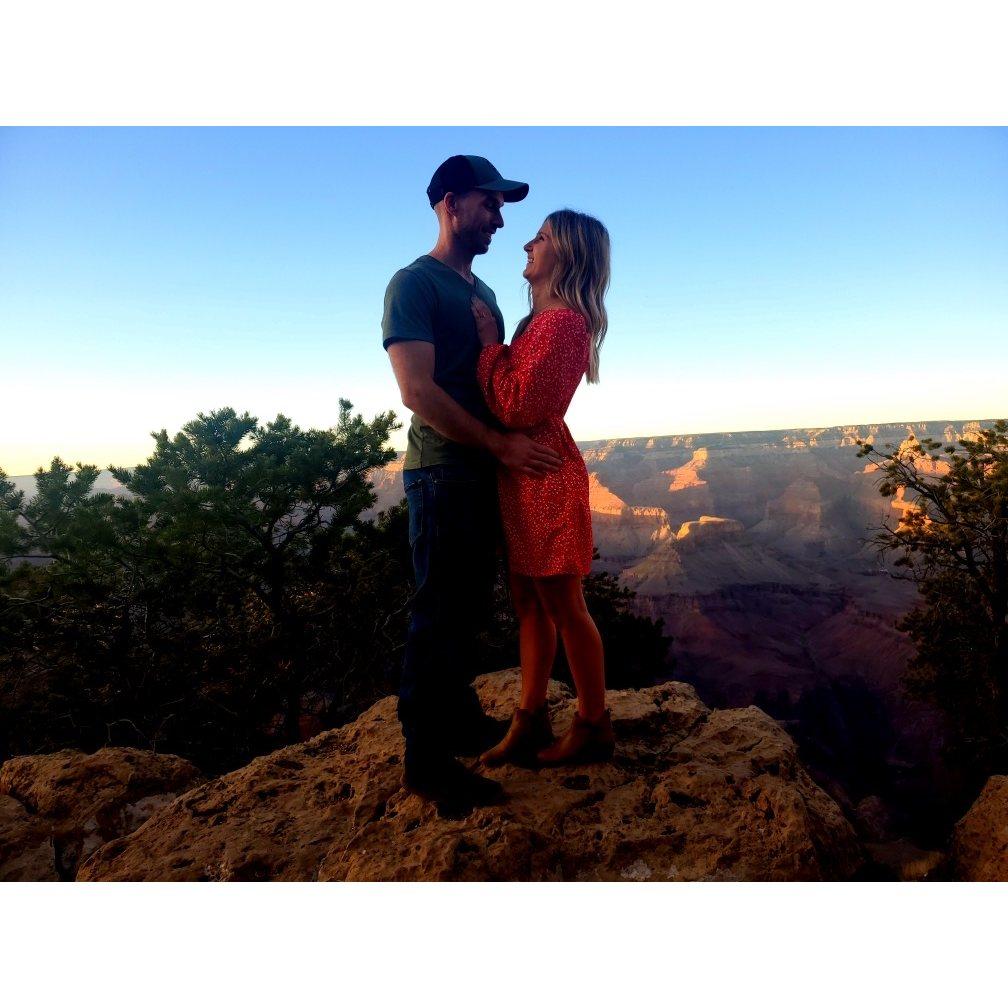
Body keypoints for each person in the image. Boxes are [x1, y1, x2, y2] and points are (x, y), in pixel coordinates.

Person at [382, 155, 563, 815]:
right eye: (490, 204)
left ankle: (457, 720)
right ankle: (426, 763)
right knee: (439, 613)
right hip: (441, 472)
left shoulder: (483, 292)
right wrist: (498, 444)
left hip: (484, 471)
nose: (499, 219)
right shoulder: (414, 284)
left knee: (466, 610)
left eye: (502, 207)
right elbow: (416, 390)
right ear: (450, 204)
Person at [471, 209, 615, 767]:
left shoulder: (563, 325)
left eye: (542, 237)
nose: (527, 244)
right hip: (524, 476)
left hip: (544, 478)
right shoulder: (541, 323)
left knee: (564, 605)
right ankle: (529, 721)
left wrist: (489, 345)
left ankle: (593, 724)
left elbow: (515, 406)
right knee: (529, 604)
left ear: (569, 254)